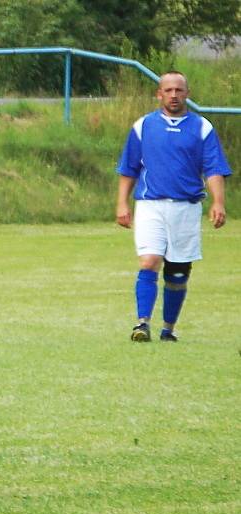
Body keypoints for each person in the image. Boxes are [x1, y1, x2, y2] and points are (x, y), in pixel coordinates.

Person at [116, 71, 231, 342]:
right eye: (168, 90)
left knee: (177, 273)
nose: (174, 95)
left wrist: (218, 202)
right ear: (159, 94)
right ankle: (142, 324)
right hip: (150, 205)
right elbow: (129, 168)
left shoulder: (202, 127)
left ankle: (168, 328)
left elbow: (213, 168)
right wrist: (122, 202)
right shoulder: (143, 126)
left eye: (179, 90)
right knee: (149, 261)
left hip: (186, 208)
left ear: (187, 94)